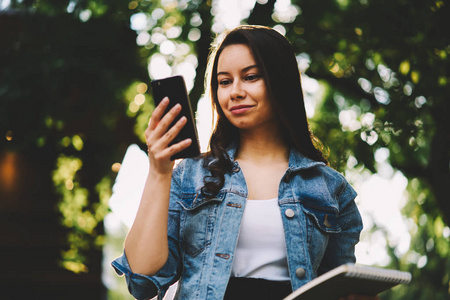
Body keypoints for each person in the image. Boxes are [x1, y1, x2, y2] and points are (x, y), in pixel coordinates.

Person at [112, 25, 378, 300]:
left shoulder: (330, 188)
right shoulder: (189, 176)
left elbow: (337, 288)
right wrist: (158, 172)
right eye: (224, 81)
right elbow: (142, 282)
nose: (235, 92)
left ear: (281, 81)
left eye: (250, 77)